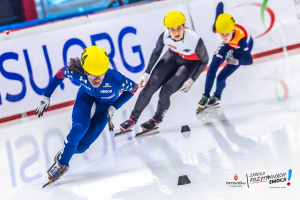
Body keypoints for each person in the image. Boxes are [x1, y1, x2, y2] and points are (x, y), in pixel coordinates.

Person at [36, 46, 138, 187]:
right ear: (84, 71)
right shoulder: (77, 74)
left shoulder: (116, 78)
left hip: (105, 108)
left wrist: (114, 107)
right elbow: (60, 74)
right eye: (91, 75)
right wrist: (46, 96)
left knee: (82, 147)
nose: (96, 79)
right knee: (79, 129)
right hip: (86, 99)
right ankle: (61, 164)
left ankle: (66, 151)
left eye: (101, 75)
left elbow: (133, 89)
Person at [120, 11, 209, 132]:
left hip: (190, 63)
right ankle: (132, 119)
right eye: (172, 30)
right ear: (168, 29)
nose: (176, 32)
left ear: (184, 26)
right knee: (150, 86)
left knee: (165, 92)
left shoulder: (194, 39)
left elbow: (205, 60)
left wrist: (193, 78)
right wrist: (146, 72)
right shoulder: (164, 36)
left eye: (179, 28)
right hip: (173, 56)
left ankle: (156, 119)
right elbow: (156, 52)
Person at [197, 2, 254, 110]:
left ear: (232, 30)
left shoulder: (241, 39)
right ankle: (206, 95)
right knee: (213, 66)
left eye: (226, 34)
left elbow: (249, 60)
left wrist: (236, 61)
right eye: (221, 34)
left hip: (241, 50)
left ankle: (217, 96)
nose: (224, 37)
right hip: (229, 45)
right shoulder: (218, 27)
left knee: (221, 77)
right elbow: (219, 7)